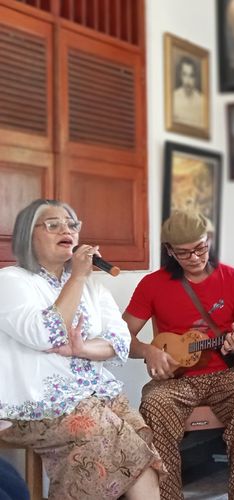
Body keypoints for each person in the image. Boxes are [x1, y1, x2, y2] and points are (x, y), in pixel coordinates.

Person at [0, 199, 162, 499]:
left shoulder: (91, 286)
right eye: (53, 224)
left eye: (72, 224)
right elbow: (45, 334)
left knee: (138, 436)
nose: (67, 229)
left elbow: (120, 340)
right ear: (28, 234)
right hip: (33, 406)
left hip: (96, 396)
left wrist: (82, 348)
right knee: (94, 432)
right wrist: (77, 276)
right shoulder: (11, 281)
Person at [123, 210, 234, 500]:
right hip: (174, 381)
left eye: (201, 248)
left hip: (226, 375)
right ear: (170, 252)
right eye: (184, 252)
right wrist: (148, 351)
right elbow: (121, 338)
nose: (195, 257)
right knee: (153, 404)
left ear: (209, 240)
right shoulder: (152, 284)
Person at [172, 56, 204, 129]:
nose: (188, 81)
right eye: (184, 75)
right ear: (180, 76)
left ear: (195, 78)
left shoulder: (202, 100)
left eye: (191, 76)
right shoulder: (173, 98)